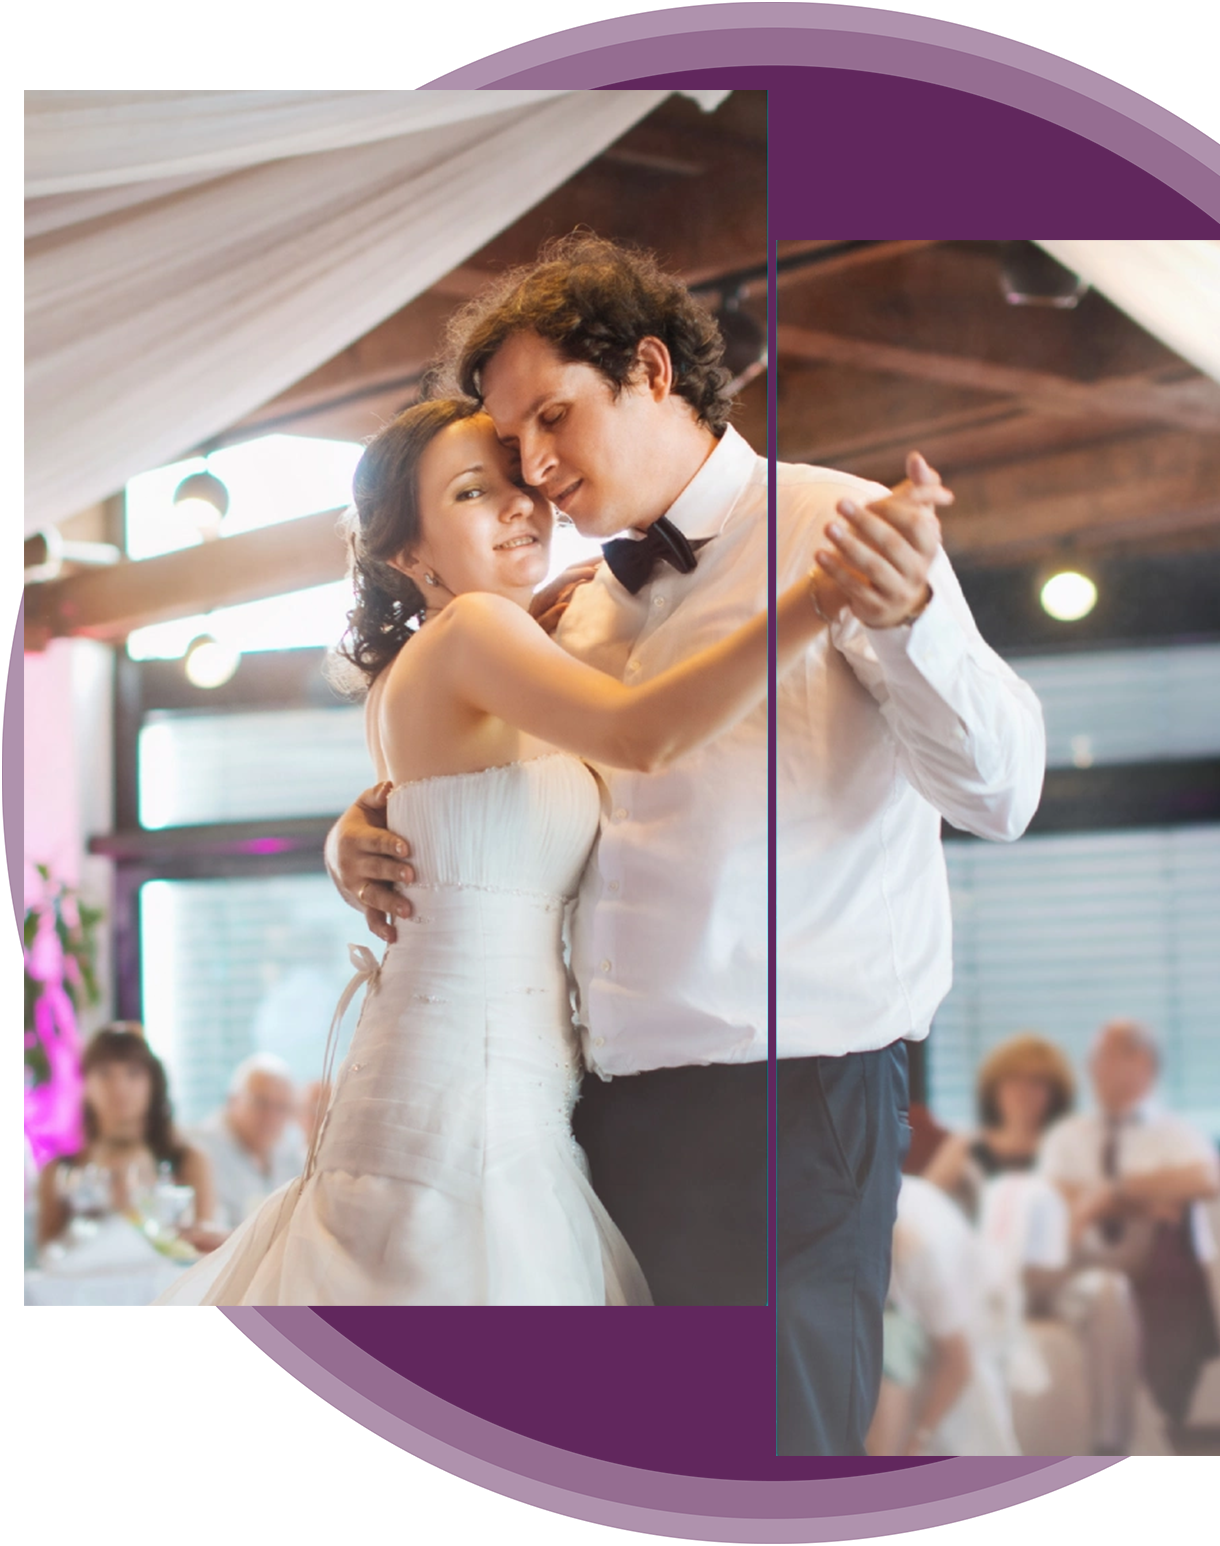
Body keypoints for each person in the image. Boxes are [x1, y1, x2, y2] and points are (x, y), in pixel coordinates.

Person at [326, 238, 1045, 1425]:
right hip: (592, 1110)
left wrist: (911, 615)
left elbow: (1002, 792)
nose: (538, 469)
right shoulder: (572, 607)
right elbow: (495, 784)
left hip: (791, 1101)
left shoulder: (844, 528)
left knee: (772, 1469)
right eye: (513, 448)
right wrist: (364, 827)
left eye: (555, 419)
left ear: (651, 370)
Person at [157, 392, 872, 1308]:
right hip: (471, 1096)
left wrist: (352, 832)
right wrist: (821, 595)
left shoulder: (464, 650)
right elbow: (646, 735)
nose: (519, 504)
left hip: (464, 1079)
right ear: (408, 553)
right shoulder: (473, 632)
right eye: (470, 493)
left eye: (517, 482)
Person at [1037, 1018, 1220, 1450]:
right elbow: (1055, 1194)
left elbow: (1205, 1179)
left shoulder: (1176, 1133)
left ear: (1139, 1063)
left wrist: (1112, 1192)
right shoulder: (1068, 1135)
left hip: (1158, 1269)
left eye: (1103, 1056)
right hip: (1080, 1263)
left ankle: (1144, 1439)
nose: (1092, 1067)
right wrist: (1143, 1198)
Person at [866, 1175, 1018, 1456]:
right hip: (891, 1294)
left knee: (889, 1349)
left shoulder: (926, 1251)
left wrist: (916, 1442)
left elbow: (958, 1362)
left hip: (952, 1304)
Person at [37, 1025, 220, 1251]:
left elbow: (204, 1249)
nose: (119, 1087)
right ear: (85, 1084)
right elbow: (48, 1256)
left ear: (153, 1082)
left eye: (133, 1073)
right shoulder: (57, 1171)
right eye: (105, 1073)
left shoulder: (189, 1161)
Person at [924, 1033, 1076, 1217]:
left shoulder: (1066, 1150)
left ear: (1055, 1093)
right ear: (994, 1088)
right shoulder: (966, 1147)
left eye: (1036, 1082)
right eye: (1013, 1080)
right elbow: (925, 1202)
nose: (1023, 1092)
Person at [194, 1053, 307, 1228]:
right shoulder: (199, 1152)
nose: (271, 1117)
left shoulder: (291, 1155)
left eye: (282, 1108)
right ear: (232, 1100)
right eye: (261, 1103)